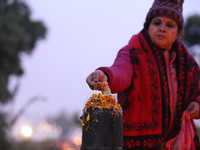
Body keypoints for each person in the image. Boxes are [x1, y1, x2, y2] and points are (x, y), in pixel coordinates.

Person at [86, 0, 200, 149]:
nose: (162, 28)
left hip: (179, 143)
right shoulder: (132, 51)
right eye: (157, 23)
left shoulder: (188, 63)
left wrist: (198, 104)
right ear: (147, 27)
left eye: (170, 25)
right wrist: (106, 76)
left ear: (178, 32)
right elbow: (121, 71)